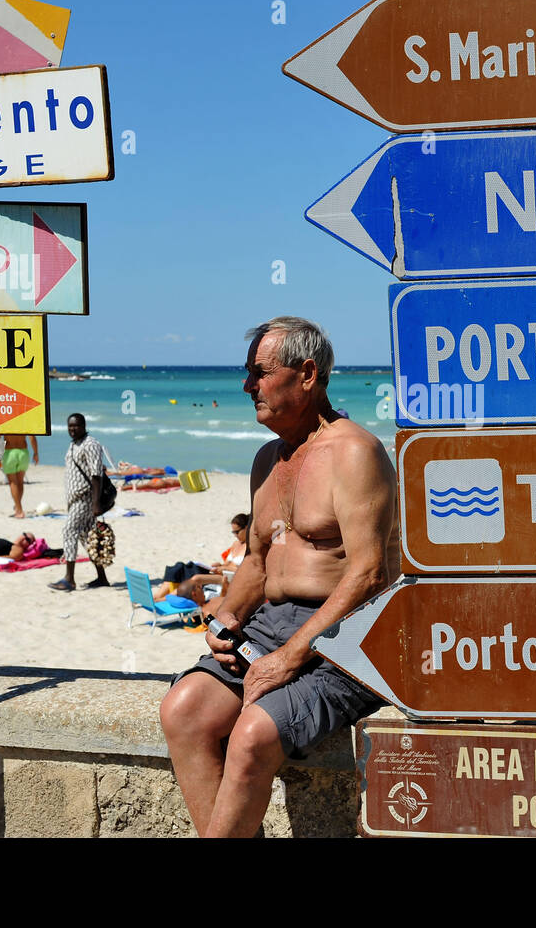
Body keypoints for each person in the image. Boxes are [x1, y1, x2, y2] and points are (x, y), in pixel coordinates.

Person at [160, 316, 397, 838]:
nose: (248, 386)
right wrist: (225, 617)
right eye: (248, 374)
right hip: (269, 627)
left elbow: (369, 574)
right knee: (184, 712)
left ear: (307, 374)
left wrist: (288, 659)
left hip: (343, 637)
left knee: (251, 736)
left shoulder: (356, 453)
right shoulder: (267, 458)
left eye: (260, 373)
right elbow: (256, 561)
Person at [50, 414, 110, 591]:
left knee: (69, 531)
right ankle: (102, 577)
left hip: (85, 498)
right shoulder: (73, 444)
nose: (72, 429)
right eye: (69, 426)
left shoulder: (91, 444)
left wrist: (96, 503)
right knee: (86, 538)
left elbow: (96, 474)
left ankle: (69, 579)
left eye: (75, 426)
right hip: (74, 499)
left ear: (84, 425)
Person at [2, 434, 40, 518]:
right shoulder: (24, 421)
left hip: (9, 453)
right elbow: (32, 438)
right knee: (20, 482)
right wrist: (36, 453)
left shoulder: (5, 422)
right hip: (23, 453)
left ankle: (19, 510)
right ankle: (17, 506)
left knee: (13, 482)